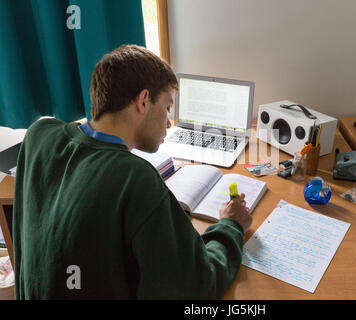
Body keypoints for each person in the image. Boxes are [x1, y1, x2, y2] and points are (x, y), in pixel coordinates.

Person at [13, 44, 253, 299]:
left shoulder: (39, 135)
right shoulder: (135, 176)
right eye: (167, 107)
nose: (168, 121)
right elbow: (196, 287)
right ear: (143, 100)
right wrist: (231, 225)